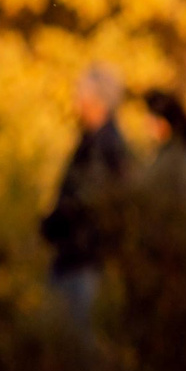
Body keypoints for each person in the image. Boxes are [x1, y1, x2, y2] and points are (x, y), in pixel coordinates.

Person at [40, 64, 131, 335]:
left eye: (82, 93)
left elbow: (88, 204)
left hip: (85, 260)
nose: (77, 99)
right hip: (74, 257)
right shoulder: (92, 140)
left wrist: (55, 223)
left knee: (77, 340)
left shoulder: (105, 146)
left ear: (99, 100)